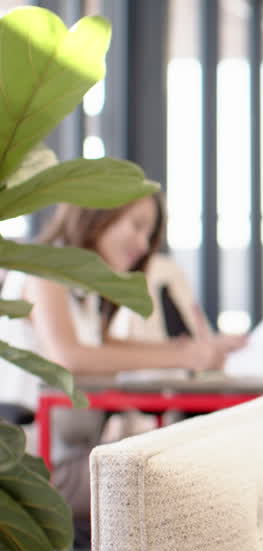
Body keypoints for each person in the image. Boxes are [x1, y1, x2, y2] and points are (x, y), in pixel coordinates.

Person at [0, 193, 243, 527]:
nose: (143, 245)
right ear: (96, 216)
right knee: (190, 479)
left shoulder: (81, 290)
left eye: (149, 234)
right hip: (35, 468)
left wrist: (190, 349)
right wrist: (184, 355)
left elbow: (105, 346)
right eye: (137, 226)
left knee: (195, 465)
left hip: (72, 455)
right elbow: (69, 356)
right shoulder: (44, 272)